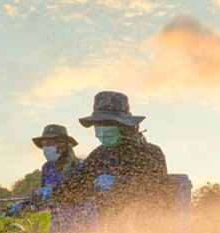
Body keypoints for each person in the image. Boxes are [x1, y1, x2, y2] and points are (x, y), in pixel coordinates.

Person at [53, 91, 168, 220]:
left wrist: (118, 184)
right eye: (98, 124)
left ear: (124, 125)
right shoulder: (100, 155)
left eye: (108, 123)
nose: (102, 129)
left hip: (148, 228)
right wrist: (52, 193)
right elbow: (76, 185)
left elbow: (156, 192)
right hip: (109, 232)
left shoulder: (150, 153)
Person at [31, 124, 96, 233]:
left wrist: (55, 192)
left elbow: (83, 193)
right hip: (57, 228)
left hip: (83, 224)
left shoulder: (81, 166)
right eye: (45, 144)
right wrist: (31, 204)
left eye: (51, 143)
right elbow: (45, 201)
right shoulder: (47, 168)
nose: (47, 148)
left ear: (64, 145)